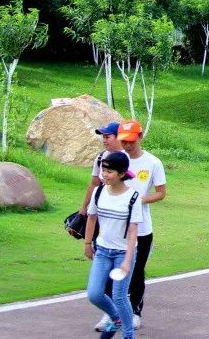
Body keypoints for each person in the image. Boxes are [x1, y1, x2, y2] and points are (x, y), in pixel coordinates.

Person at [100, 120, 165, 332]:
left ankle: (135, 311)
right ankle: (110, 313)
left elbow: (161, 193)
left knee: (136, 270)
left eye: (131, 140)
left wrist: (137, 200)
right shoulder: (117, 160)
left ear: (140, 137)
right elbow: (105, 186)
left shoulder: (153, 163)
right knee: (110, 269)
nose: (127, 145)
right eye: (124, 141)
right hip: (115, 226)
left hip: (142, 228)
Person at [84, 151, 141, 339]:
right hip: (102, 251)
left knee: (119, 295)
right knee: (94, 293)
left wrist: (127, 260)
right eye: (103, 170)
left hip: (123, 253)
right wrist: (87, 243)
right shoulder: (99, 192)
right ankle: (116, 318)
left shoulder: (133, 197)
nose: (104, 174)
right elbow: (92, 218)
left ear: (122, 174)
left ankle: (128, 334)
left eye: (109, 171)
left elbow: (133, 231)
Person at [80, 122, 122, 219]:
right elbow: (94, 183)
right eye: (103, 137)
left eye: (107, 137)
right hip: (101, 207)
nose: (104, 140)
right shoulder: (100, 157)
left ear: (119, 137)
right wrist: (84, 207)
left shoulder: (128, 158)